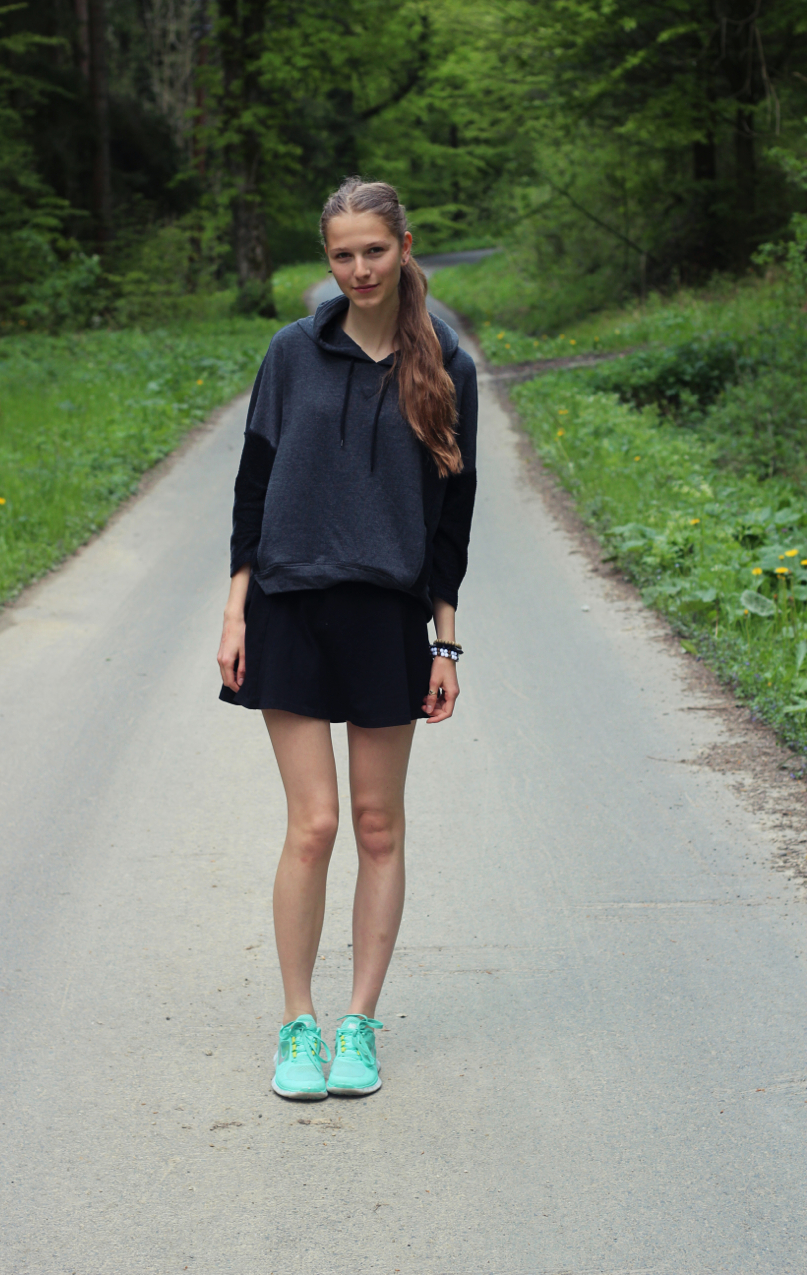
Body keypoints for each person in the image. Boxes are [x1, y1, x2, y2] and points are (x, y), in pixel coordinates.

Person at [216, 177, 477, 1101]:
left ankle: (359, 1024)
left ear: (404, 246)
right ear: (326, 260)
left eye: (373, 249)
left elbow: (452, 520)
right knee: (314, 824)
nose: (359, 269)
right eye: (342, 254)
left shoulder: (446, 362)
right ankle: (299, 1022)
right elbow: (254, 483)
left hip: (386, 616)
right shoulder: (292, 352)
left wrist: (446, 642)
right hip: (288, 605)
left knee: (376, 823)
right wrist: (236, 608)